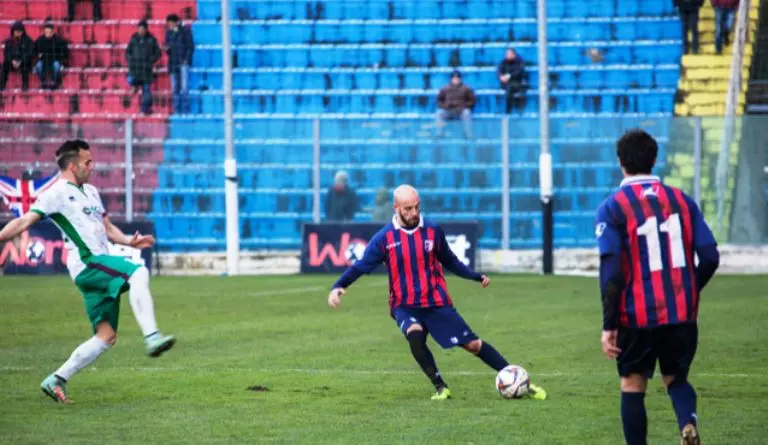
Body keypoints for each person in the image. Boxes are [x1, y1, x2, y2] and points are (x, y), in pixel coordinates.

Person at [328, 184, 547, 401]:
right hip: (404, 304)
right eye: (408, 209)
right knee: (414, 334)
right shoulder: (384, 238)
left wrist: (474, 276)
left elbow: (450, 260)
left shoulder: (433, 231)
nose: (414, 213)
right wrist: (339, 286)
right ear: (396, 208)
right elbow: (360, 265)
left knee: (473, 345)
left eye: (416, 207)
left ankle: (520, 381)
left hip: (436, 302)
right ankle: (441, 387)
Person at [0, 140, 176, 404]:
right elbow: (26, 220)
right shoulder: (56, 193)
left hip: (98, 264)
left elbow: (106, 226)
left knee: (106, 337)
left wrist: (129, 241)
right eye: (87, 162)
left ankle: (56, 379)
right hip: (89, 263)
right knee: (138, 272)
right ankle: (152, 337)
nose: (92, 166)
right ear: (72, 166)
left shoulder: (91, 191)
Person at [595, 129, 720, 445]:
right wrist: (689, 288)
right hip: (681, 313)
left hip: (636, 316)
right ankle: (687, 423)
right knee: (676, 380)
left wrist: (609, 325)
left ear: (621, 162)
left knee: (632, 385)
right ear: (654, 160)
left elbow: (612, 271)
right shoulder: (682, 200)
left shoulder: (612, 207)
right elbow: (709, 255)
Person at [126, 20, 162, 115]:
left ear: (146, 29)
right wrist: (131, 61)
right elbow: (127, 52)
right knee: (130, 79)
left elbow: (158, 53)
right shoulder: (133, 39)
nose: (140, 30)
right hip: (135, 68)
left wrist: (151, 61)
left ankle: (144, 109)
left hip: (146, 70)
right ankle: (134, 86)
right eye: (139, 29)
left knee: (146, 91)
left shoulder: (152, 40)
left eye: (142, 29)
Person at [165, 13, 194, 114]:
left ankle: (186, 109)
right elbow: (167, 46)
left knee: (184, 87)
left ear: (176, 22)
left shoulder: (185, 31)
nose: (170, 26)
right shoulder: (168, 33)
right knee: (174, 88)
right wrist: (167, 49)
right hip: (173, 62)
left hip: (183, 62)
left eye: (171, 23)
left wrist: (187, 59)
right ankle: (177, 109)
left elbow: (190, 46)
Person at [436, 70, 476, 139]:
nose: (456, 80)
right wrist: (444, 106)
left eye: (457, 78)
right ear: (451, 79)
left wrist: (465, 106)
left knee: (467, 113)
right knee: (439, 113)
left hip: (461, 111)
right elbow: (438, 100)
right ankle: (439, 133)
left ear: (460, 79)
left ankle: (468, 134)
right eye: (454, 78)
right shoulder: (445, 88)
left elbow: (473, 100)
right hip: (448, 110)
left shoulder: (466, 88)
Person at [0, 21, 34, 91]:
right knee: (5, 65)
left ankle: (25, 86)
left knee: (26, 65)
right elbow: (6, 54)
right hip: (12, 62)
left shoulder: (28, 41)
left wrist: (21, 61)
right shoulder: (9, 41)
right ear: (13, 31)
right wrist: (12, 61)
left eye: (20, 31)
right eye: (16, 31)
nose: (18, 33)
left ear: (23, 31)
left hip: (23, 62)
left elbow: (30, 54)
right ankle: (2, 85)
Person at [34, 23, 69, 89]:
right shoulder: (40, 40)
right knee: (38, 66)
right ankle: (43, 82)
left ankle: (54, 82)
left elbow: (65, 53)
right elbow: (34, 50)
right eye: (46, 32)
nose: (48, 34)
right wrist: (38, 54)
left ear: (53, 32)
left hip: (55, 61)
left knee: (56, 66)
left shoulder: (59, 41)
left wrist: (61, 61)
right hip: (44, 61)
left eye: (49, 32)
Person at [498, 48, 526, 114]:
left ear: (514, 54)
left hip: (517, 83)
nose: (507, 55)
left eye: (509, 54)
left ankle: (509, 111)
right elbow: (499, 71)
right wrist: (501, 77)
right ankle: (508, 111)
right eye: (507, 54)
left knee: (511, 88)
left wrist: (509, 76)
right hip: (506, 84)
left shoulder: (519, 62)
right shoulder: (503, 62)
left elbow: (519, 72)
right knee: (509, 88)